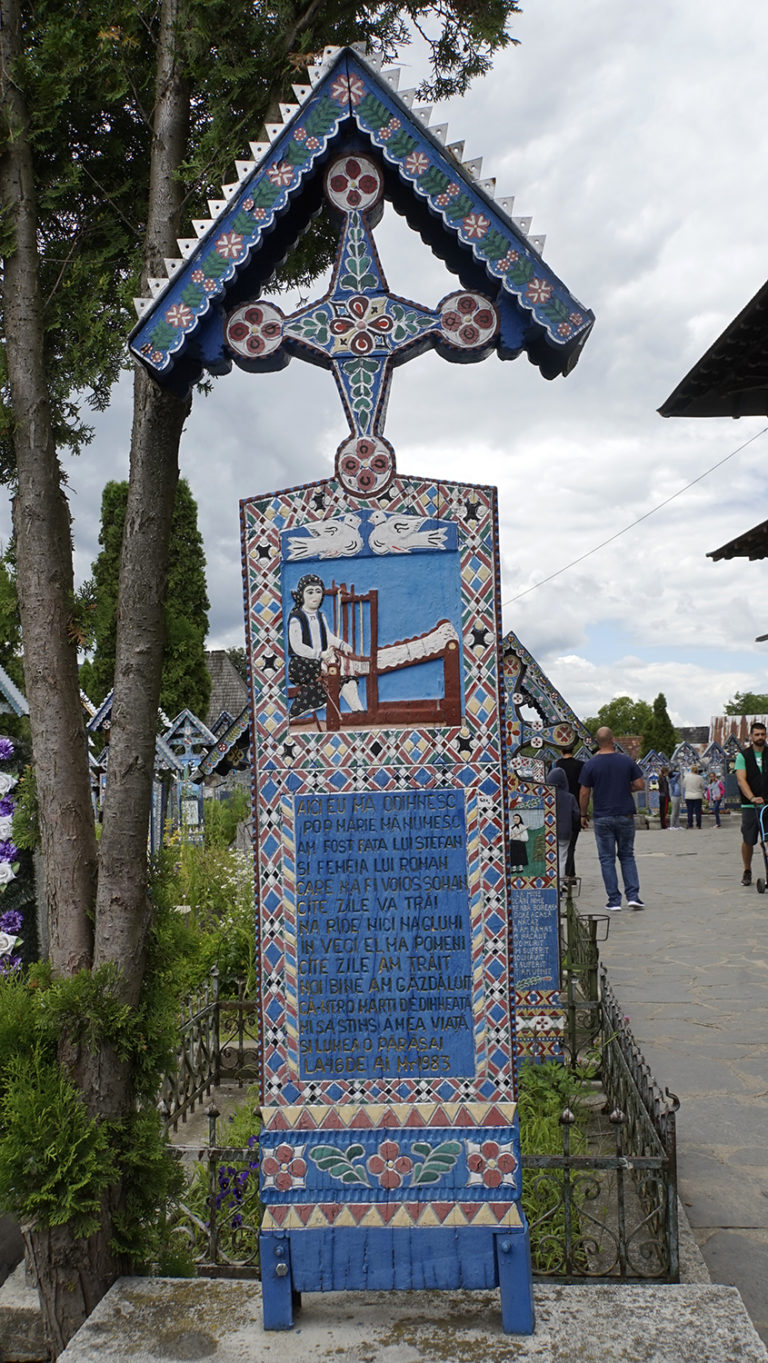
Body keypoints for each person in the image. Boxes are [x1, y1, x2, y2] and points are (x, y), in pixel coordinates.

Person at [579, 726, 645, 911]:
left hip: (602, 816)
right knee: (627, 855)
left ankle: (614, 900)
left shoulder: (591, 764)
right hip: (624, 813)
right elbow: (640, 784)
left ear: (597, 742)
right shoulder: (625, 761)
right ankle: (633, 896)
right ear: (613, 739)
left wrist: (583, 814)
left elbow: (584, 792)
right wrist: (626, 788)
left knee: (607, 858)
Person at [287, 574, 363, 720]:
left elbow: (327, 636)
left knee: (347, 678)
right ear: (301, 595)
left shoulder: (320, 616)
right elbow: (297, 646)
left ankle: (358, 712)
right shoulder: (297, 618)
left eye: (318, 591)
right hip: (303, 665)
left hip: (321, 661)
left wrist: (342, 644)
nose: (315, 596)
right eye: (310, 592)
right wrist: (319, 654)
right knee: (332, 678)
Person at [734, 720, 768, 885]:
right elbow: (741, 779)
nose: (760, 737)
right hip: (750, 806)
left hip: (767, 804)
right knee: (749, 839)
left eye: (762, 734)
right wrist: (752, 797)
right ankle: (747, 869)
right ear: (751, 736)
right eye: (757, 734)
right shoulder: (743, 756)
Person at [554, 744, 584, 880]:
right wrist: (583, 813)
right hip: (574, 805)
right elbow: (584, 788)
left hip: (556, 807)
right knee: (570, 845)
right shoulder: (580, 765)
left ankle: (562, 875)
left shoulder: (555, 766)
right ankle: (569, 874)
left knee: (558, 848)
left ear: (560, 750)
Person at [546, 767, 580, 886]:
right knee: (562, 858)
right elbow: (576, 816)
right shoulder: (570, 797)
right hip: (564, 833)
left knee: (549, 860)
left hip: (548, 833)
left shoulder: (546, 797)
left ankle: (549, 884)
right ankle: (558, 887)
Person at [683, 764, 706, 829]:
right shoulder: (699, 777)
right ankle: (698, 825)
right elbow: (702, 786)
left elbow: (684, 785)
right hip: (697, 795)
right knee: (698, 811)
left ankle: (690, 824)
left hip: (688, 795)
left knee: (689, 811)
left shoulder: (687, 777)